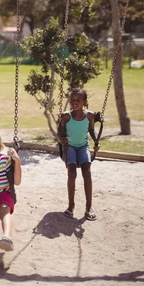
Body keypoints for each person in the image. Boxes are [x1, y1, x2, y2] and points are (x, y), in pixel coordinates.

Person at [57, 88, 99, 221]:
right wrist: (60, 139)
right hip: (70, 147)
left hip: (83, 147)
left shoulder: (90, 116)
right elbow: (60, 132)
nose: (75, 102)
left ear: (84, 102)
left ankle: (89, 207)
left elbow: (92, 130)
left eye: (78, 100)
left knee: (87, 172)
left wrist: (96, 141)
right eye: (72, 100)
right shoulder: (66, 116)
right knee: (72, 174)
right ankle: (71, 206)